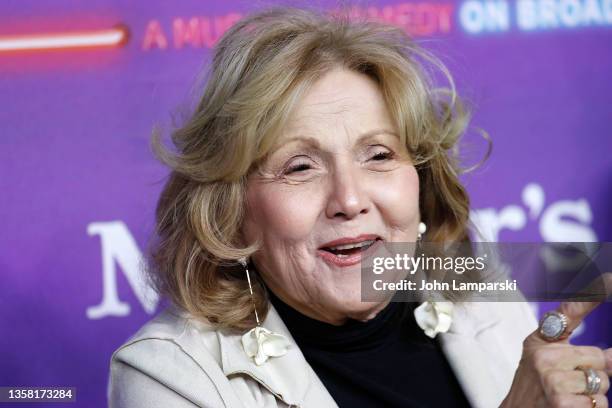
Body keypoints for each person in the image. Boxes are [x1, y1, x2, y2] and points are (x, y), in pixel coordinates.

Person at [107, 7, 611, 408]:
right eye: (300, 167)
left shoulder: (481, 298)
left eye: (379, 155)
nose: (349, 199)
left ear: (420, 179)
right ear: (231, 209)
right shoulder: (170, 378)